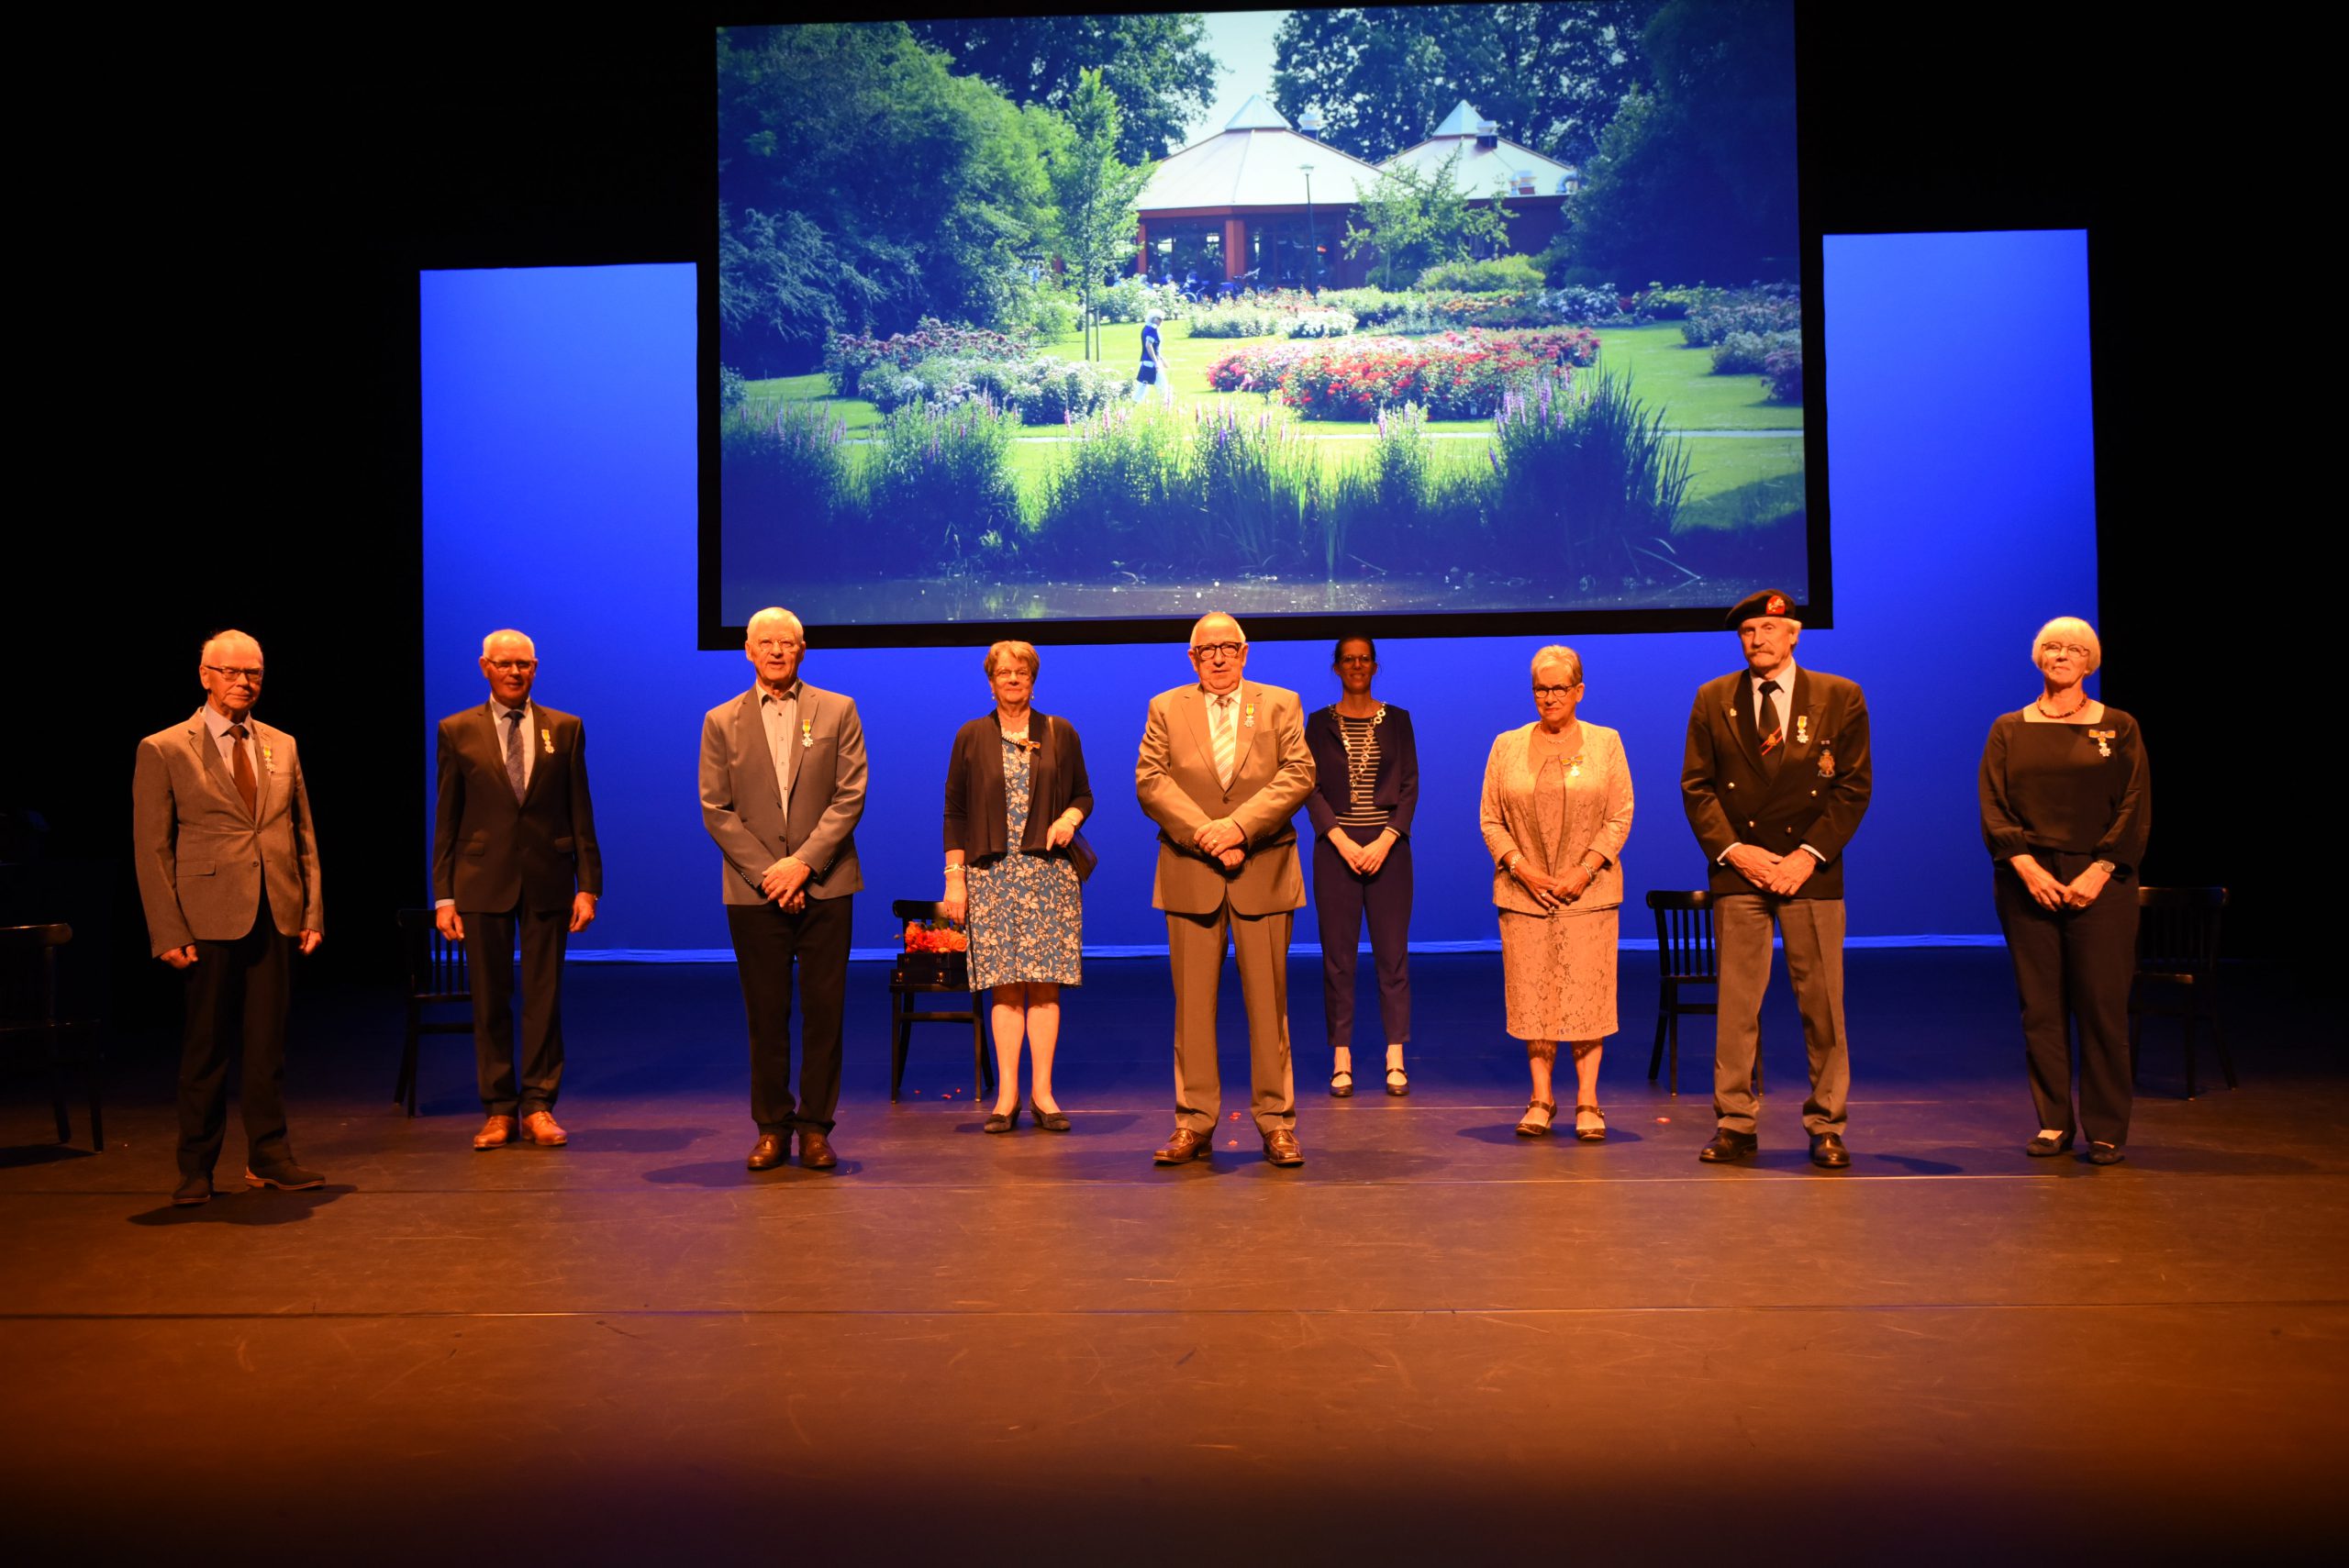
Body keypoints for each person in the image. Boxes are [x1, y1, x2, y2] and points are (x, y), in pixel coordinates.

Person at [131, 630, 324, 1206]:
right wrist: (167, 929)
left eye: (254, 673)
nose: (245, 682)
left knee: (267, 1047)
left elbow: (303, 833)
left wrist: (311, 909)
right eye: (232, 672)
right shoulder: (165, 747)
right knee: (206, 1048)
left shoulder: (281, 744)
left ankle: (269, 1156)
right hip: (206, 917)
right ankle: (196, 1167)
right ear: (205, 675)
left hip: (276, 910)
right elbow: (152, 847)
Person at [1682, 589, 1873, 1169]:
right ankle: (1735, 1123)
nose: (1757, 640)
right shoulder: (1713, 698)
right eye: (1747, 632)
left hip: (1809, 872)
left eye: (1768, 628)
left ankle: (1827, 1124)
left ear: (1793, 634)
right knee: (1737, 1006)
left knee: (1823, 1004)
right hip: (1741, 871)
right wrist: (1737, 852)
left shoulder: (1839, 696)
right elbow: (1697, 787)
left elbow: (1852, 788)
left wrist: (1806, 856)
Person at [1135, 612, 1316, 1166]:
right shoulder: (1166, 707)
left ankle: (1277, 1123)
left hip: (1263, 868)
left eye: (1228, 647)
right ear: (1192, 658)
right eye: (1207, 649)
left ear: (1245, 652)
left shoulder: (1280, 703)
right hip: (1192, 871)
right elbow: (1151, 780)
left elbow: (1298, 773)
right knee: (1192, 1009)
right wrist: (1208, 835)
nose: (1218, 657)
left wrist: (1238, 828)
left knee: (1269, 1006)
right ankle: (1193, 1122)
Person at [700, 607, 866, 1173]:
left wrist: (802, 866)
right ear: (748, 651)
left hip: (826, 885)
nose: (776, 651)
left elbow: (850, 796)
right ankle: (771, 1127)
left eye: (786, 643)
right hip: (755, 892)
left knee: (825, 1013)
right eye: (765, 643)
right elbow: (716, 809)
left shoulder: (838, 709)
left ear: (802, 649)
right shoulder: (720, 720)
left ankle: (816, 1128)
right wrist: (773, 875)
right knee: (766, 1015)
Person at [1980, 617, 2150, 1165]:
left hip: (2102, 879)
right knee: (2041, 1008)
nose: (2062, 655)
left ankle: (2106, 1128)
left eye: (2074, 649)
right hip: (2027, 879)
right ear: (2038, 658)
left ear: (2090, 662)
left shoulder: (2118, 726)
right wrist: (2027, 868)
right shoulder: (2008, 728)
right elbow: (1994, 805)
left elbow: (2134, 804)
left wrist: (2099, 870)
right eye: (2052, 647)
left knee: (2101, 1007)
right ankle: (2053, 1122)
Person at [430, 628, 603, 1151]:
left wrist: (588, 886)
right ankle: (499, 1109)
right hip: (481, 880)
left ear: (535, 668)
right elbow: (447, 817)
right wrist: (444, 896)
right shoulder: (456, 729)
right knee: (490, 999)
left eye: (523, 664)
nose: (514, 672)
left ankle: (539, 1105)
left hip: (548, 878)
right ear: (485, 666)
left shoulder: (564, 728)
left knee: (544, 998)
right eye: (504, 664)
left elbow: (580, 809)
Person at [1479, 647, 1634, 1140]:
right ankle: (1541, 1098)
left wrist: (1583, 871)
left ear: (1578, 691)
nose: (1549, 697)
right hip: (1524, 896)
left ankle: (1588, 1100)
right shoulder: (1506, 745)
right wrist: (1522, 869)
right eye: (1540, 689)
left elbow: (1620, 815)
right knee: (1535, 998)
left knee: (1587, 996)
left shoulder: (1606, 742)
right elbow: (1491, 820)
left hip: (1588, 894)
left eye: (1558, 688)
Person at [941, 640, 1094, 1134]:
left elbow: (1083, 794)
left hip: (1048, 876)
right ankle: (1006, 1096)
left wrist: (1069, 819)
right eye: (1003, 672)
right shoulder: (970, 735)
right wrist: (955, 879)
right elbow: (955, 812)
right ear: (991, 682)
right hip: (991, 876)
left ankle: (1043, 1094)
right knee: (1004, 989)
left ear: (1033, 680)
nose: (1012, 679)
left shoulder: (1059, 731)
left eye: (1021, 672)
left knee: (1045, 987)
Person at [1304, 634, 1419, 1097]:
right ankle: (1341, 1058)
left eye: (1364, 659)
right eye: (1348, 660)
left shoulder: (1399, 720)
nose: (1356, 666)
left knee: (1393, 956)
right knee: (1338, 960)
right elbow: (1308, 787)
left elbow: (1409, 786)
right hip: (1336, 851)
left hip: (1389, 851)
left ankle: (1395, 1057)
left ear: (1375, 665)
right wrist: (1341, 841)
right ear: (1337, 667)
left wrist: (1385, 840)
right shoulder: (1318, 723)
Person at [1134, 307, 1172, 406]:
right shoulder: (1152, 330)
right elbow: (1148, 345)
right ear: (1154, 318)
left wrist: (1162, 359)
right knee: (1161, 385)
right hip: (1151, 363)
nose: (1161, 321)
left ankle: (1134, 403)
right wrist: (1156, 363)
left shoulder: (1146, 329)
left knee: (1143, 386)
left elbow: (1155, 348)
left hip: (1147, 361)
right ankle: (1165, 405)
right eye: (1159, 319)